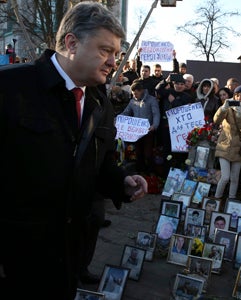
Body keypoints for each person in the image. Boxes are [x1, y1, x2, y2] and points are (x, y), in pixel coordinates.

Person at [0, 3, 148, 299]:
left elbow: (98, 164)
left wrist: (120, 182)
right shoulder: (10, 87)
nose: (112, 62)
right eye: (105, 50)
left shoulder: (99, 103)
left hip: (67, 255)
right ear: (71, 43)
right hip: (14, 256)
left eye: (116, 54)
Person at [213, 85, 241, 199]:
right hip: (225, 144)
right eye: (237, 95)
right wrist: (223, 108)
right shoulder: (228, 106)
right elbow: (216, 120)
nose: (239, 98)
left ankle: (231, 201)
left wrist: (240, 114)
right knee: (225, 177)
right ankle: (217, 199)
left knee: (234, 178)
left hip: (239, 147)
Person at [120, 80, 160, 174]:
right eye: (133, 94)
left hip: (148, 131)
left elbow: (156, 114)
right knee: (138, 154)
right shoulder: (132, 101)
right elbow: (126, 112)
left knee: (148, 154)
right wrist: (117, 119)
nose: (134, 96)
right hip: (136, 133)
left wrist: (154, 126)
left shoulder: (151, 100)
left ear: (141, 91)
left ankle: (151, 173)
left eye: (136, 94)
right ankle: (140, 172)